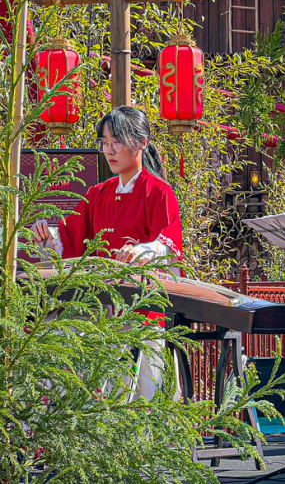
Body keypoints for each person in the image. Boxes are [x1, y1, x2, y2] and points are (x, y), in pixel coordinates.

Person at [31, 106, 184, 400]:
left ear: (141, 142)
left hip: (138, 307)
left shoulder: (159, 192)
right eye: (105, 142)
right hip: (96, 305)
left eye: (117, 141)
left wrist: (141, 251)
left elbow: (168, 246)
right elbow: (69, 239)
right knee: (54, 332)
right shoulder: (97, 194)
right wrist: (46, 235)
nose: (109, 150)